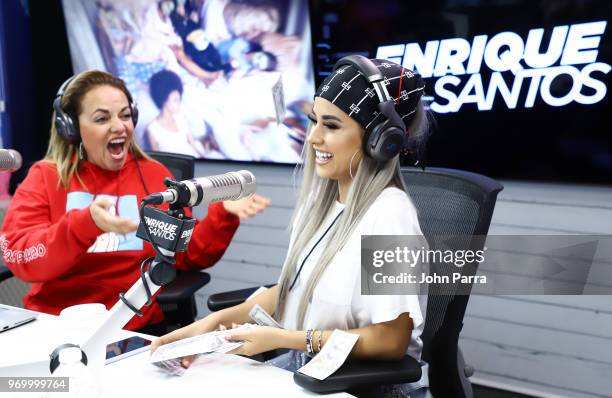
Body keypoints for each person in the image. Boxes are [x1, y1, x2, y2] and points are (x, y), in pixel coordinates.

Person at [152, 57, 431, 397]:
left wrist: (283, 339)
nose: (313, 138)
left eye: (331, 125)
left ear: (379, 139)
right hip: (312, 366)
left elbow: (391, 341)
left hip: (362, 384)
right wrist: (209, 325)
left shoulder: (391, 216)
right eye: (314, 121)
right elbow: (291, 290)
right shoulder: (324, 203)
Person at [0, 70, 270, 333]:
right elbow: (20, 256)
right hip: (55, 328)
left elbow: (186, 255)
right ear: (70, 126)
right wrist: (84, 224)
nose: (119, 126)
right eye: (102, 118)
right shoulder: (46, 177)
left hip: (133, 331)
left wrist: (223, 214)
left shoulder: (154, 177)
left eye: (126, 115)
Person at [147, 69, 221, 158]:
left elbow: (193, 146)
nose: (179, 103)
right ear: (164, 101)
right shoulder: (153, 130)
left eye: (179, 99)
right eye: (175, 100)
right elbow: (157, 162)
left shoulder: (181, 118)